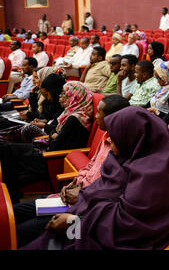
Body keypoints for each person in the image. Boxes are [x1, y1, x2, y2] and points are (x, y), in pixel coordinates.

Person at [22, 106, 169, 250]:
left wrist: (75, 222)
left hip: (110, 236)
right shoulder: (124, 158)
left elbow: (128, 224)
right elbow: (100, 190)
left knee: (28, 232)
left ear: (134, 138)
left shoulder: (153, 177)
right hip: (85, 218)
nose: (110, 142)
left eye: (115, 138)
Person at [12, 95, 130, 248]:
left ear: (113, 118)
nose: (95, 115)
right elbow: (90, 165)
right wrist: (75, 182)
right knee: (15, 213)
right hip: (71, 198)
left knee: (22, 231)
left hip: (83, 210)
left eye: (100, 112)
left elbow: (110, 197)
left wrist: (81, 195)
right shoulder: (106, 137)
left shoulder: (125, 153)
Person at [0, 81, 93, 203]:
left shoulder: (75, 119)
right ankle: (9, 195)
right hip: (48, 148)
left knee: (9, 153)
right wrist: (53, 134)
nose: (60, 96)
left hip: (52, 158)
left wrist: (53, 135)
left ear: (74, 96)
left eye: (65, 93)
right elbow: (53, 130)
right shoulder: (70, 112)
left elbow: (55, 144)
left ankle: (10, 198)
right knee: (8, 150)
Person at [0, 73, 66, 143]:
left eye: (37, 77)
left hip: (43, 133)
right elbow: (45, 116)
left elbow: (57, 130)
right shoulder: (48, 96)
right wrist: (33, 94)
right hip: (37, 125)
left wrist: (40, 121)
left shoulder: (61, 103)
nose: (33, 80)